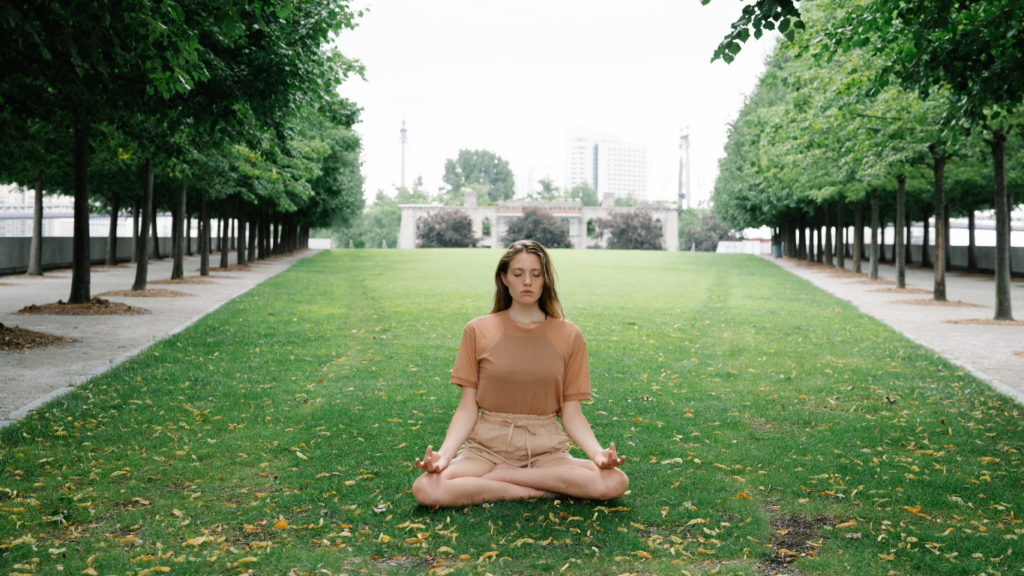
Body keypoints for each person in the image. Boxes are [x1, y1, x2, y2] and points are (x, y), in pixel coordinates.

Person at [412, 240, 628, 508]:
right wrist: (444, 457)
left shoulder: (570, 335)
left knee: (615, 481)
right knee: (426, 489)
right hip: (486, 448)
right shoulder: (477, 330)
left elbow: (571, 413)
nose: (527, 281)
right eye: (518, 274)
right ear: (504, 278)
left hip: (546, 450)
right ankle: (542, 490)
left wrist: (598, 455)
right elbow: (467, 408)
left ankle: (510, 477)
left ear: (545, 279)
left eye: (536, 274)